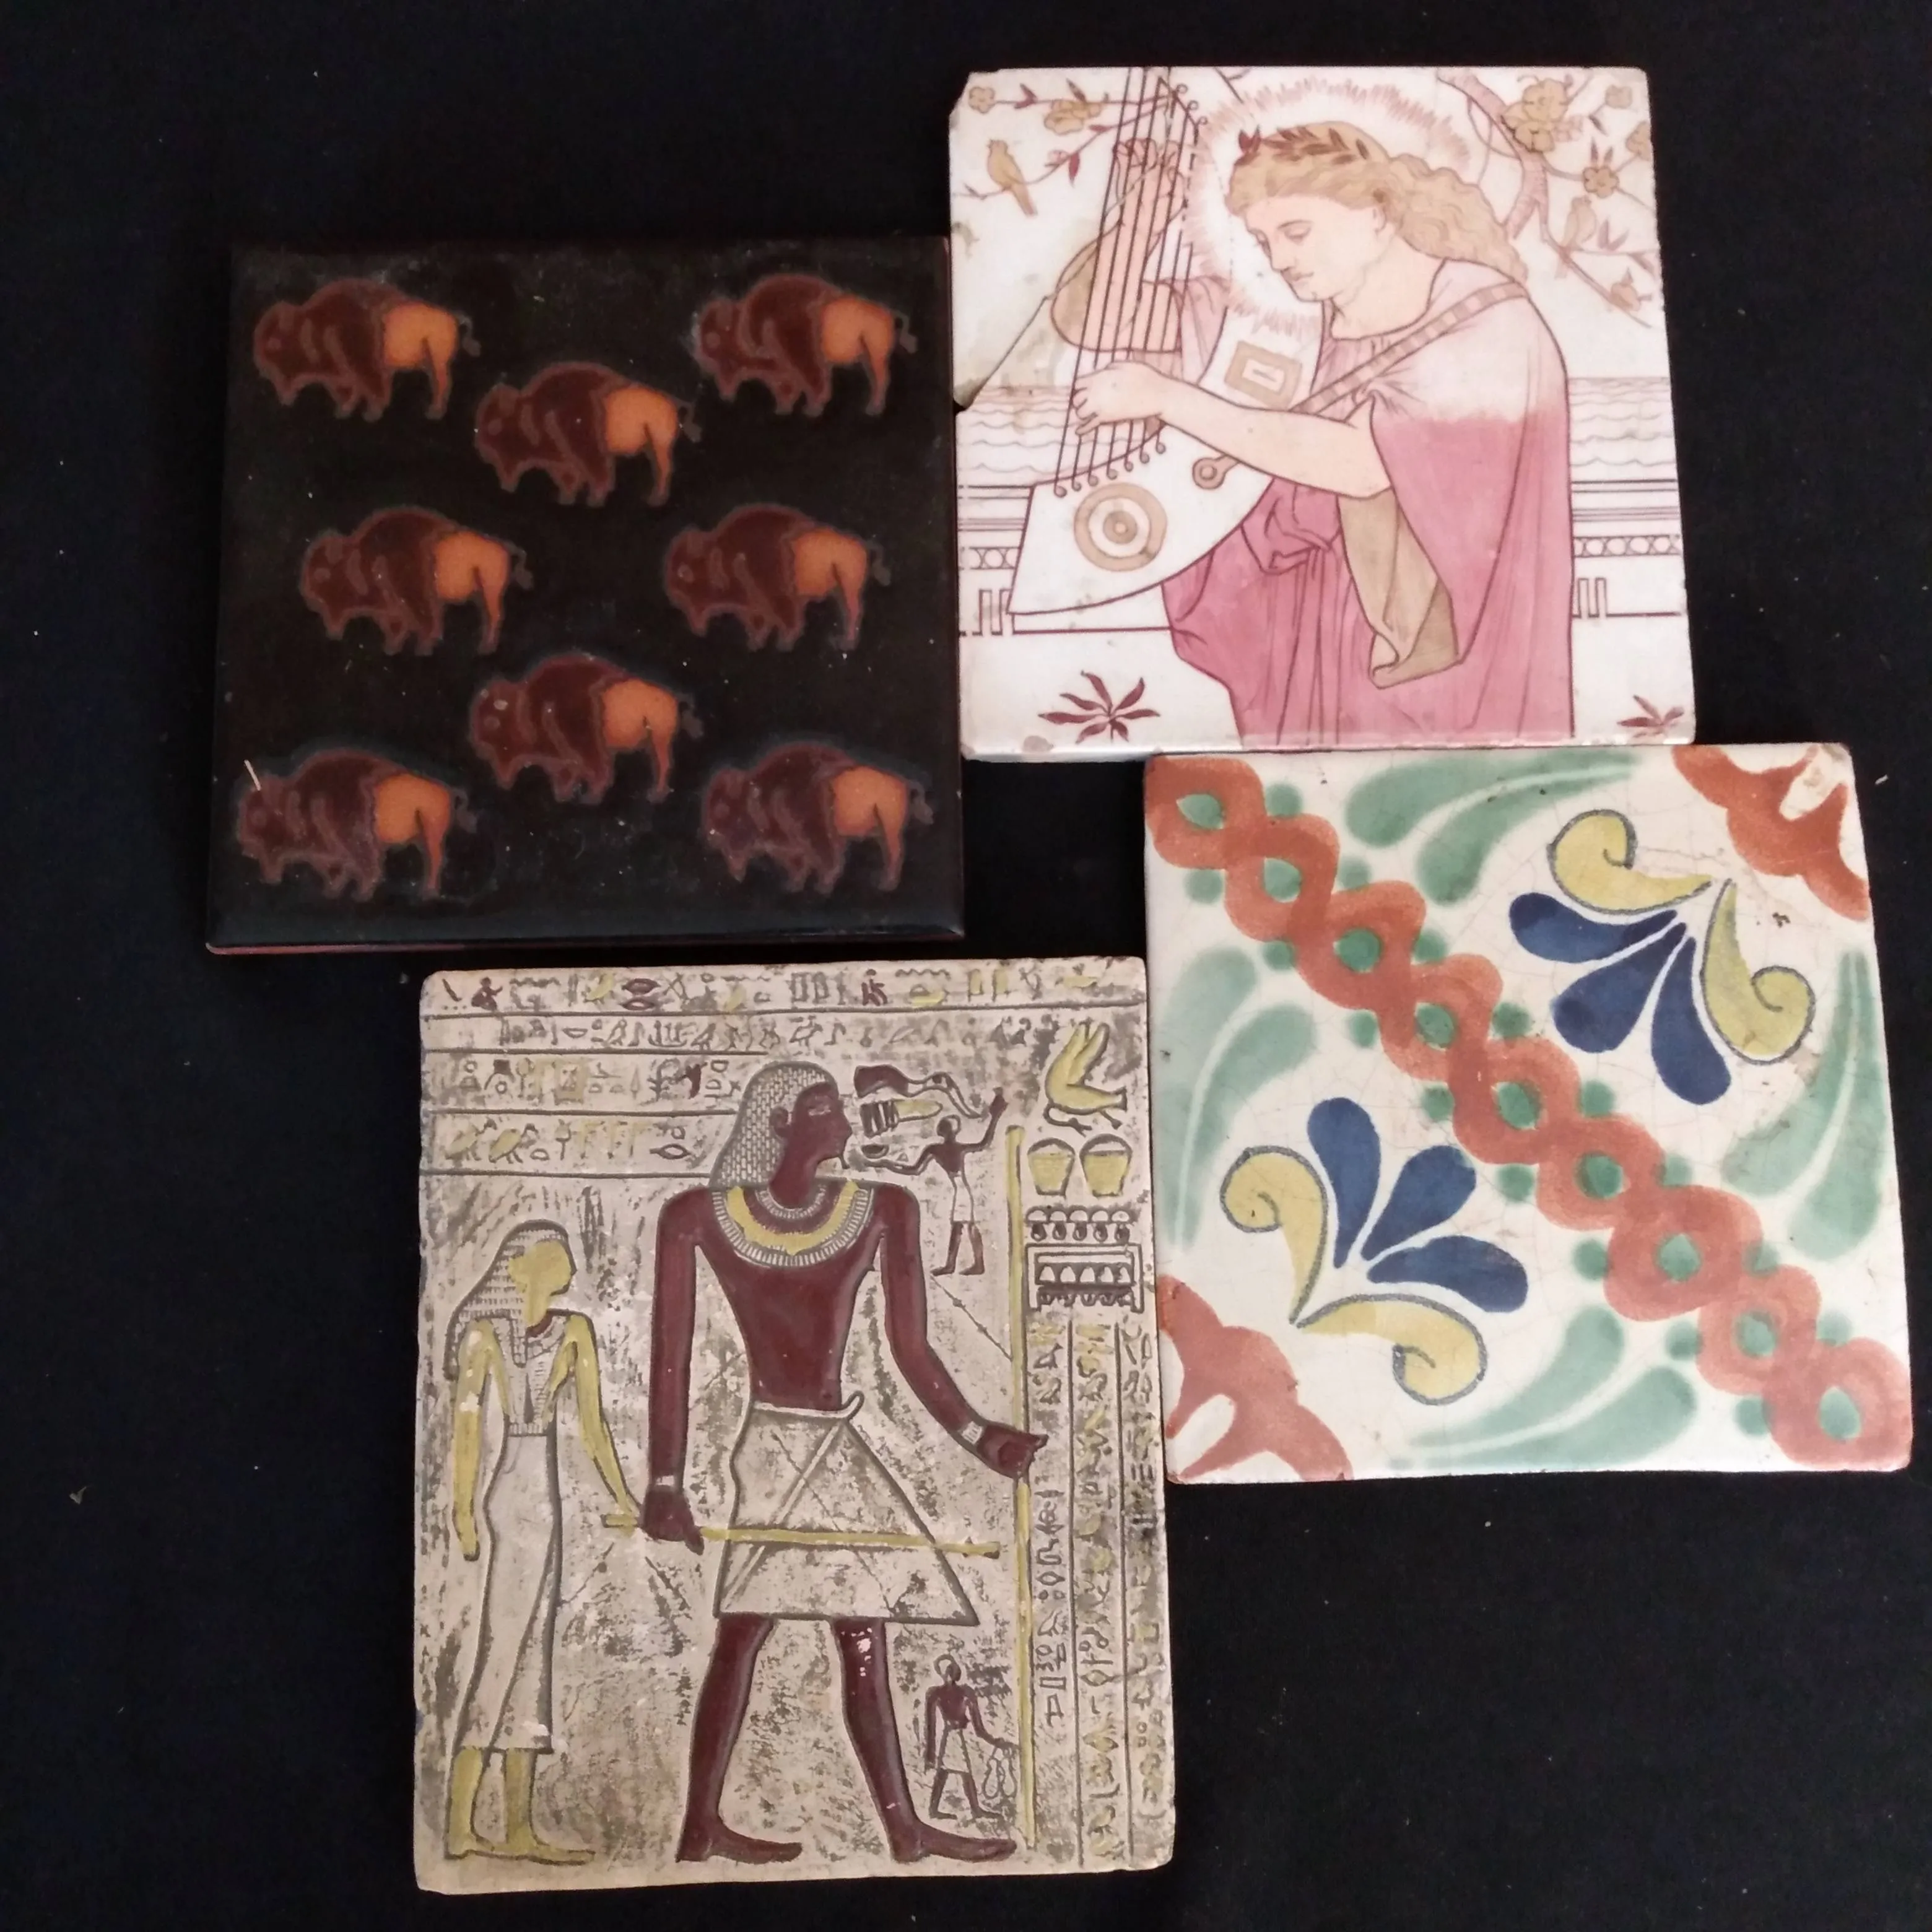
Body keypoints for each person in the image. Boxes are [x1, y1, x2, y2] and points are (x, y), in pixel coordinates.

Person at [645, 1062, 1043, 1865]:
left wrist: (977, 1435)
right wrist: (664, 1482)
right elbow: (671, 1355)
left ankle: (886, 1830)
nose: (846, 1119)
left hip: (831, 1446)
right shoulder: (696, 1216)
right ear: (782, 1124)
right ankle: (714, 1825)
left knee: (848, 1633)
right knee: (750, 1631)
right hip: (774, 1447)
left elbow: (910, 1348)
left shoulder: (883, 1208)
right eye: (825, 1107)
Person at [1071, 120, 1574, 746]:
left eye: (1297, 232)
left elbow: (1360, 464)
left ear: (1376, 215)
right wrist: (1141, 217)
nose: (1279, 260)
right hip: (1311, 635)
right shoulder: (1293, 325)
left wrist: (1168, 398)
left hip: (1430, 658)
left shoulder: (1488, 321)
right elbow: (1094, 321)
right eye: (1263, 240)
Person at [443, 1220, 641, 1863]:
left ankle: (518, 1827)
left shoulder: (574, 1330)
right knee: (503, 1656)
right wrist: (464, 1511)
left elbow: (593, 1426)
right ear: (520, 1267)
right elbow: (467, 1430)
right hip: (513, 1499)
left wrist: (625, 1498)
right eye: (556, 1256)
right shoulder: (485, 1335)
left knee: (533, 1662)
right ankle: (459, 1823)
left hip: (545, 1500)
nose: (569, 1267)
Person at [866, 1095, 1007, 1275]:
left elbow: (914, 1170)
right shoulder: (949, 1149)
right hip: (961, 1189)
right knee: (961, 1226)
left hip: (961, 1190)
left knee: (965, 1226)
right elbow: (984, 1143)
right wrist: (995, 1117)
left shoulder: (938, 1149)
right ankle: (957, 1264)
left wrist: (888, 1165)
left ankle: (969, 1264)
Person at [923, 1659, 1010, 1822]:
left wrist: (995, 1742)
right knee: (957, 1771)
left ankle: (940, 1809)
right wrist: (930, 1755)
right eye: (947, 1672)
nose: (949, 1676)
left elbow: (978, 1727)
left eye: (951, 1671)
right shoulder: (936, 1694)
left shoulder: (965, 1693)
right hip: (951, 1737)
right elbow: (931, 1726)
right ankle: (972, 1810)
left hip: (956, 1736)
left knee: (949, 1771)